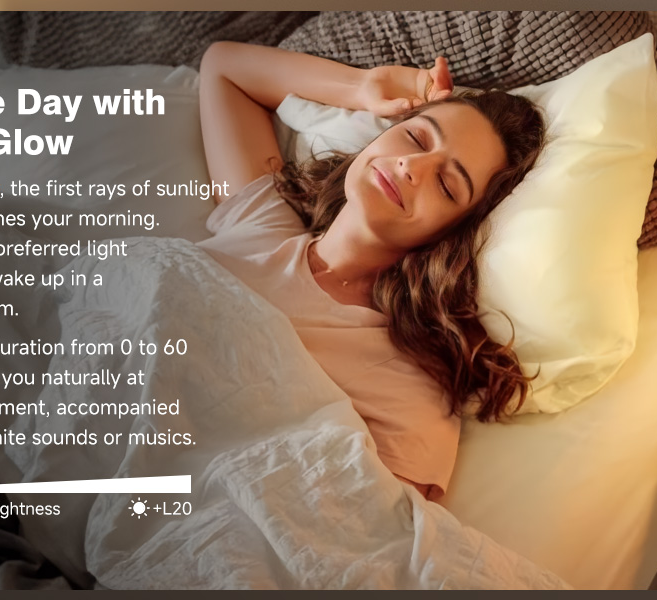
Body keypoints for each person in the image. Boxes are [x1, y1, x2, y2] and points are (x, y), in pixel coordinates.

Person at [194, 41, 545, 502]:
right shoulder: (260, 220)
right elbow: (224, 68)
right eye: (417, 138)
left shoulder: (408, 381)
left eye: (446, 183)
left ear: (453, 232)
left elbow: (369, 536)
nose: (411, 166)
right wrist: (365, 85)